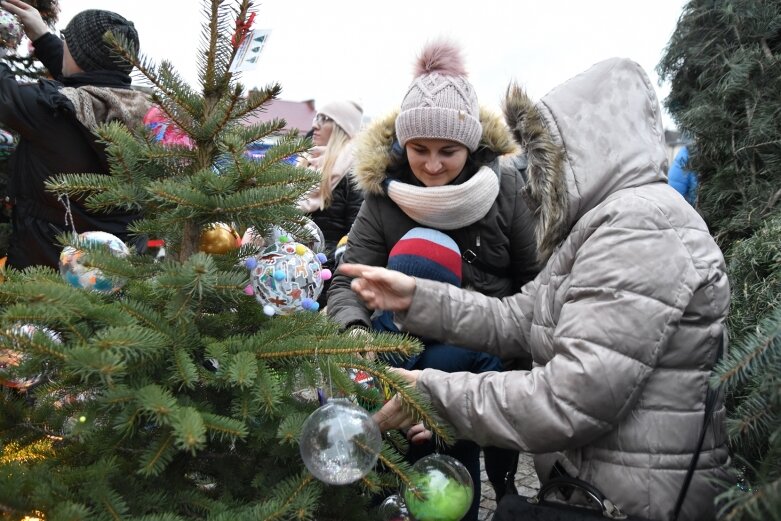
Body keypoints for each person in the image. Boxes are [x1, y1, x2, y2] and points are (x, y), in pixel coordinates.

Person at [340, 57, 732, 521]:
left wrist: (433, 393)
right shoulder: (604, 222)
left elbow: (571, 398)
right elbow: (521, 315)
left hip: (633, 498)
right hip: (598, 481)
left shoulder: (640, 227)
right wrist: (416, 299)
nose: (533, 177)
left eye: (543, 155)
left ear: (581, 152)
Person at [327, 40, 539, 514]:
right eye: (419, 150)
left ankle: (497, 484)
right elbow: (347, 280)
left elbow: (532, 285)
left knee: (456, 484)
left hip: (477, 370)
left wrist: (505, 383)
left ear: (471, 145)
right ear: (403, 146)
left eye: (449, 151)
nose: (433, 165)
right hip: (398, 362)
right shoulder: (384, 196)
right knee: (398, 477)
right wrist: (357, 333)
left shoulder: (505, 190)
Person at [0, 0, 151, 270]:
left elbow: (4, 90)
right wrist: (44, 37)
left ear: (77, 55)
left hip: (46, 271)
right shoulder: (137, 106)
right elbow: (89, 76)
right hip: (116, 271)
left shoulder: (51, 109)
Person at [296, 99, 364, 305]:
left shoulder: (353, 170)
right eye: (317, 117)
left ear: (341, 129)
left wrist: (333, 273)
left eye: (325, 119)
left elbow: (356, 231)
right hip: (293, 268)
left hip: (327, 275)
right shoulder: (306, 163)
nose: (315, 125)